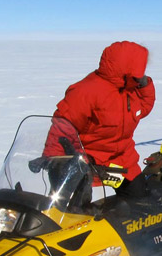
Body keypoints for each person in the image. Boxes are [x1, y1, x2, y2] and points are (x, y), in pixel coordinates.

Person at [43, 41, 155, 198]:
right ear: (127, 69)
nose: (141, 74)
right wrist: (55, 161)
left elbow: (142, 109)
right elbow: (62, 129)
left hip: (122, 159)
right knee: (73, 212)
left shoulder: (130, 90)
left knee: (139, 202)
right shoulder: (85, 92)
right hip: (87, 161)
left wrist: (145, 86)